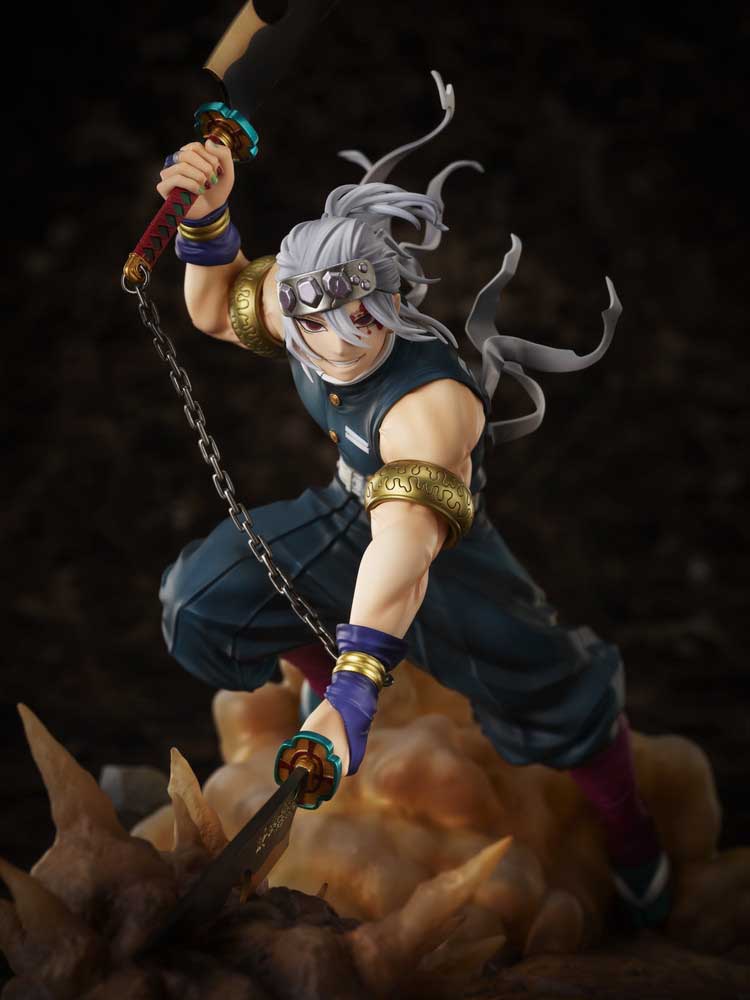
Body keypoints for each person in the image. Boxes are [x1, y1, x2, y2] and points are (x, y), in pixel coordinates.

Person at [157, 74, 670, 926]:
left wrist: (357, 684)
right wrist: (207, 219)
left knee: (562, 694)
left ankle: (632, 832)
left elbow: (403, 541)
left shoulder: (432, 405)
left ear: (388, 300)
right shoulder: (306, 303)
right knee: (199, 604)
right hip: (345, 512)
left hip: (445, 552)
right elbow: (215, 310)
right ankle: (336, 686)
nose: (330, 344)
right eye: (310, 325)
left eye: (353, 320)